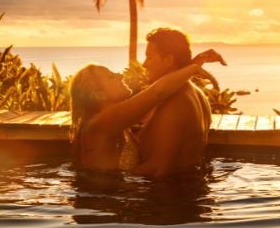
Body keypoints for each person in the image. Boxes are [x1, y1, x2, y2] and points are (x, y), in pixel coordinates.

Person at [69, 48, 225, 172]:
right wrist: (193, 69)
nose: (119, 74)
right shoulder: (100, 123)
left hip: (113, 201)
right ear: (99, 94)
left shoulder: (118, 121)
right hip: (99, 206)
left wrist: (191, 64)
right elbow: (157, 93)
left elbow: (157, 96)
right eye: (110, 76)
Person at [134, 28, 223, 177]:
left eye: (149, 57)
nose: (144, 64)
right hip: (188, 186)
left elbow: (159, 169)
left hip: (168, 196)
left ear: (168, 60)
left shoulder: (173, 103)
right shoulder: (197, 94)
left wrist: (118, 179)